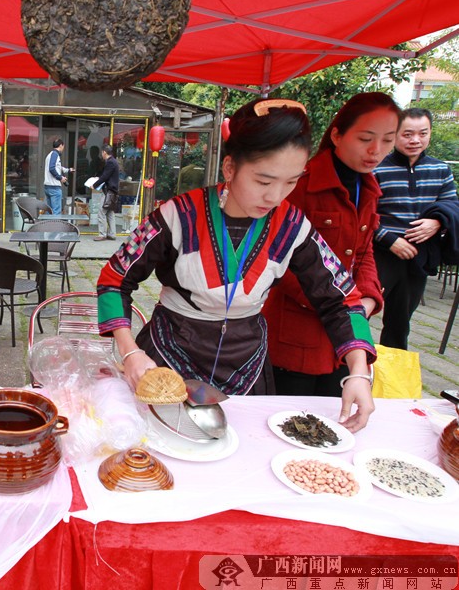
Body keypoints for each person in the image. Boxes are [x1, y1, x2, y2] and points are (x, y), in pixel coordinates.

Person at [97, 98, 377, 431]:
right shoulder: (178, 215)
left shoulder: (293, 226)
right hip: (166, 355)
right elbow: (114, 279)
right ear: (230, 168)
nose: (275, 196)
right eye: (263, 181)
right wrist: (129, 352)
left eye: (291, 182)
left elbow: (342, 298)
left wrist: (358, 370)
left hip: (246, 364)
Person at [264, 92, 399, 397]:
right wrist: (336, 303)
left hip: (347, 327)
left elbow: (363, 253)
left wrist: (366, 299)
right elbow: (275, 258)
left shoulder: (370, 188)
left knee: (338, 417)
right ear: (337, 134)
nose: (376, 151)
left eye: (388, 140)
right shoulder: (299, 184)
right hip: (297, 329)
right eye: (366, 138)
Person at [373, 107, 459, 349]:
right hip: (381, 254)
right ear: (395, 134)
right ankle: (351, 373)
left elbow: (451, 204)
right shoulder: (376, 168)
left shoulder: (440, 170)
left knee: (400, 325)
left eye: (423, 133)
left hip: (418, 256)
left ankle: (392, 383)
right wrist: (390, 240)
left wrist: (438, 222)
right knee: (360, 313)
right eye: (407, 134)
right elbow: (363, 215)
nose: (415, 140)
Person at [92, 144, 120, 241]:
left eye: (102, 152)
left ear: (104, 152)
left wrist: (94, 185)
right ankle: (112, 234)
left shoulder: (110, 162)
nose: (101, 154)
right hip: (113, 191)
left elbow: (105, 176)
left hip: (109, 191)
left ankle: (102, 234)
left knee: (101, 212)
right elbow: (105, 176)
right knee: (110, 212)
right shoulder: (113, 161)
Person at [43, 138, 73, 215]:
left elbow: (57, 167)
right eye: (63, 146)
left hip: (48, 187)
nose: (63, 148)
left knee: (49, 211)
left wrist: (68, 170)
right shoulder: (55, 154)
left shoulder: (50, 155)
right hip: (54, 187)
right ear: (61, 145)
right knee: (56, 212)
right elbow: (52, 168)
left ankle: (47, 226)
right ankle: (55, 227)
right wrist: (60, 178)